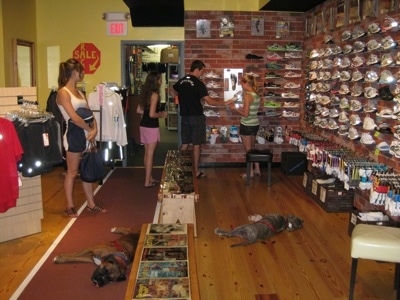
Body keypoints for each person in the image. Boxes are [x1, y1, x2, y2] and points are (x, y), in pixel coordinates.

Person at [56, 58, 106, 217]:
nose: (82, 73)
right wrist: (90, 130)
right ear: (73, 72)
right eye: (80, 70)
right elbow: (74, 118)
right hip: (74, 134)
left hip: (86, 133)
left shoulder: (79, 92)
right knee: (72, 171)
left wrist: (95, 128)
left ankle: (91, 204)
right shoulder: (63, 93)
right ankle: (69, 206)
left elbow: (90, 114)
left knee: (87, 169)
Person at [170, 60, 231, 178]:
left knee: (185, 143)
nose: (202, 73)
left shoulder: (181, 81)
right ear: (197, 69)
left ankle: (179, 169)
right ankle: (196, 172)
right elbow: (209, 101)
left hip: (185, 117)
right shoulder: (198, 83)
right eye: (202, 71)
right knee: (197, 145)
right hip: (196, 117)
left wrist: (176, 98)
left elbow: (171, 89)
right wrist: (224, 103)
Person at [228, 73, 261, 178]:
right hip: (255, 124)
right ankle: (257, 169)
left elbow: (245, 114)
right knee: (253, 148)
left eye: (242, 83)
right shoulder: (256, 94)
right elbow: (251, 112)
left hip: (246, 125)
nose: (241, 85)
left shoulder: (247, 95)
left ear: (246, 83)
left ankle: (250, 172)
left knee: (248, 150)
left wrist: (235, 108)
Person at [138, 71, 167, 188]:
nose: (161, 81)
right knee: (150, 155)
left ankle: (149, 177)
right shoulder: (155, 95)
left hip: (143, 125)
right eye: (160, 79)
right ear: (156, 81)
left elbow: (139, 110)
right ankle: (147, 181)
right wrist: (162, 114)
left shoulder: (144, 93)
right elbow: (151, 114)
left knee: (146, 154)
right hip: (151, 126)